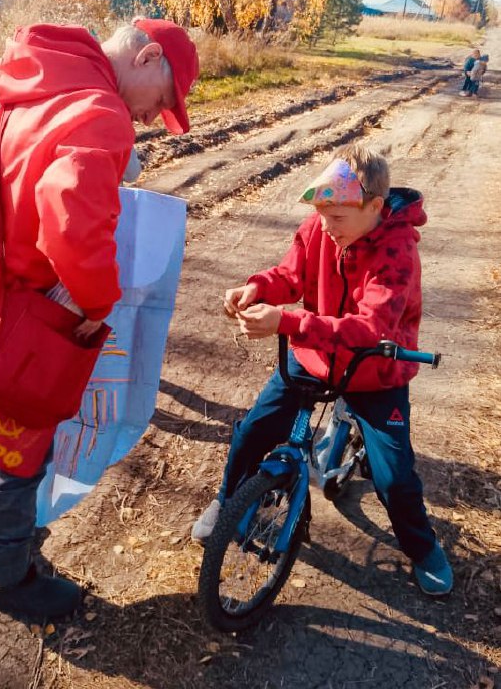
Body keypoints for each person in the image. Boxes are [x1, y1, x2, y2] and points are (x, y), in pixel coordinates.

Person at [0, 18, 199, 620]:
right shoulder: (100, 112)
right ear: (146, 57)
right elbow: (71, 223)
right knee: (16, 449)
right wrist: (97, 303)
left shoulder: (2, 77)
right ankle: (8, 580)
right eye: (161, 102)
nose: (149, 118)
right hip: (10, 311)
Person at [191, 145, 454, 597]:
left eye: (336, 219)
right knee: (255, 429)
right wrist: (257, 287)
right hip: (314, 356)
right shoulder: (321, 225)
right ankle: (229, 500)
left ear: (374, 207)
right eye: (321, 216)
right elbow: (290, 275)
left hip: (375, 371)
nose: (325, 228)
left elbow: (372, 329)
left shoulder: (397, 252)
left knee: (394, 477)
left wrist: (287, 321)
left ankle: (423, 547)